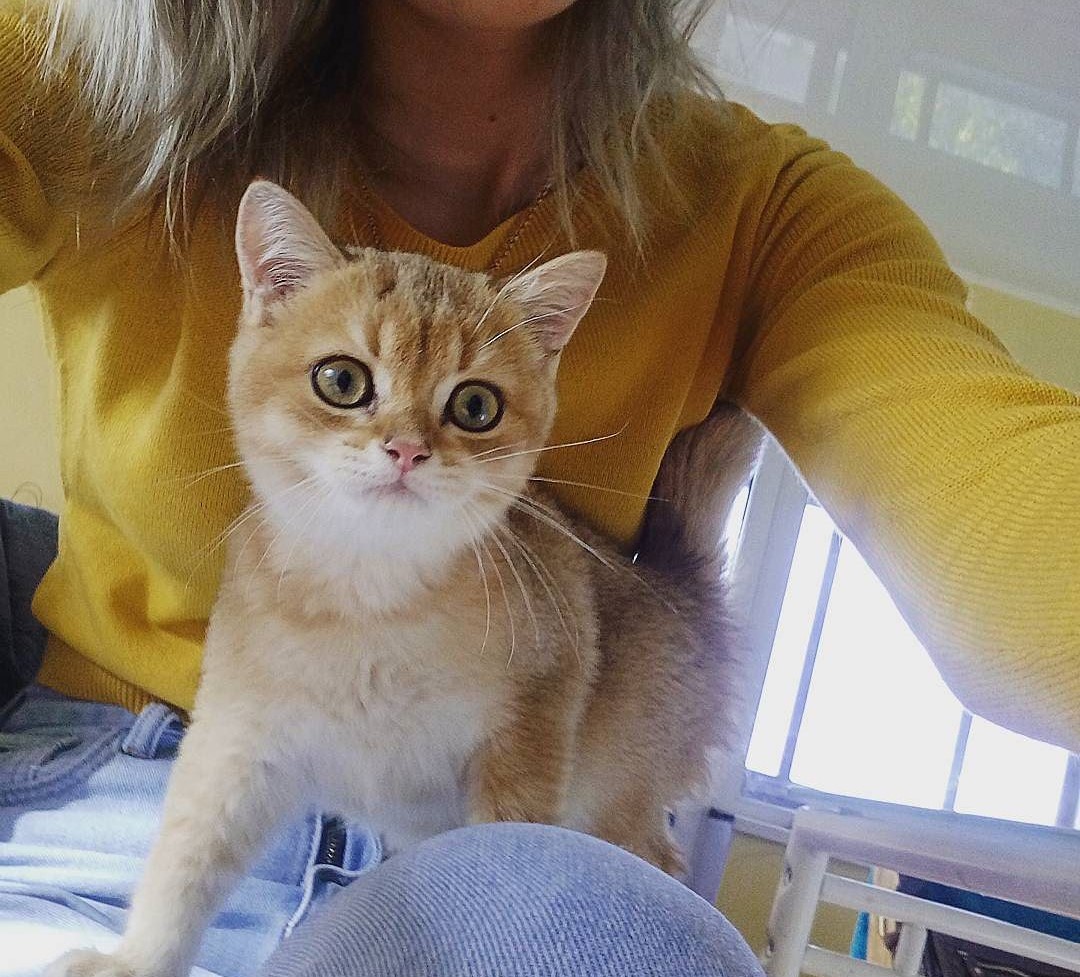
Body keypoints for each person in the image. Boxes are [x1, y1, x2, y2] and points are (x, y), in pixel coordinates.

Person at [0, 0, 1076, 973]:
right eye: (347, 385)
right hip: (125, 795)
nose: (405, 445)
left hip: (524, 852)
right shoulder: (98, 65)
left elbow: (1005, 506)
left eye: (467, 408)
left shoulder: (765, 212)